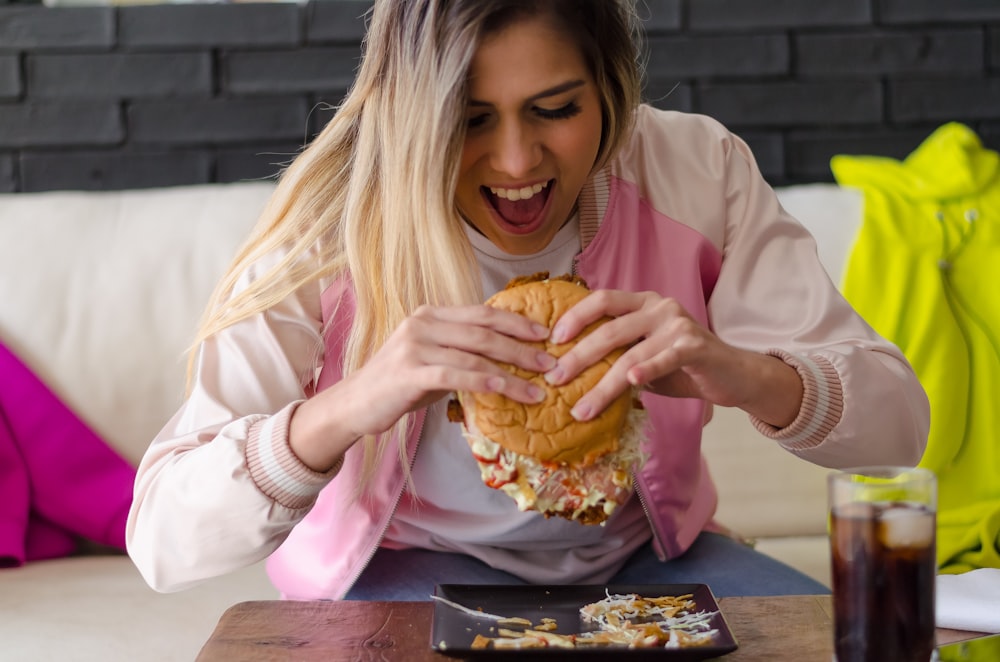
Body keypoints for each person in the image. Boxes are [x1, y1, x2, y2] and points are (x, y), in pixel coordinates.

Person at [126, 0, 929, 600]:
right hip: (402, 572)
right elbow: (162, 540)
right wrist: (351, 404)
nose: (517, 161)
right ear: (410, 116)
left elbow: (899, 432)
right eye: (469, 120)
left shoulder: (697, 170)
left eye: (557, 110)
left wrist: (742, 373)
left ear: (611, 91)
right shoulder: (331, 230)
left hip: (648, 562)